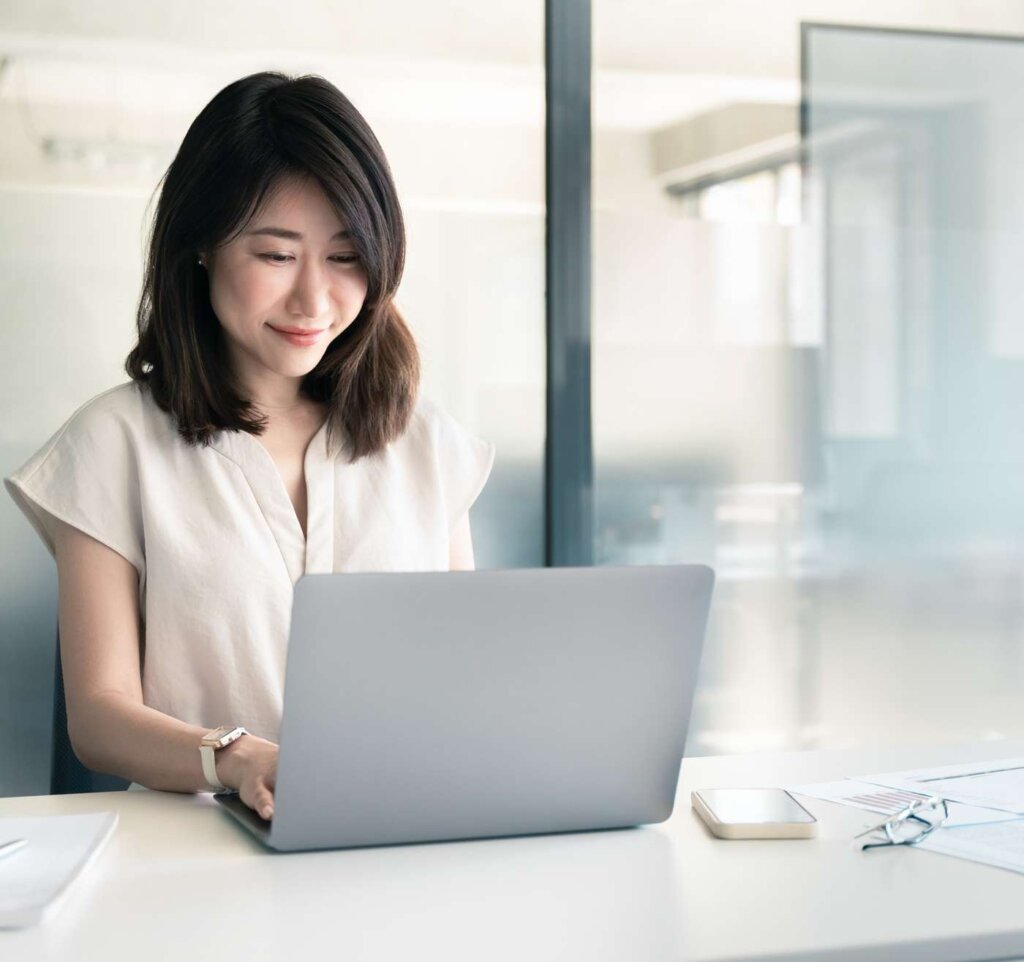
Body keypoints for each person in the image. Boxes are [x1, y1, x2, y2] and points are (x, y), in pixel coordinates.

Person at [4, 72, 494, 822]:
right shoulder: (113, 444)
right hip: (191, 850)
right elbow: (99, 716)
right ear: (200, 246)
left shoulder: (425, 443)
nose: (314, 301)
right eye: (274, 255)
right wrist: (239, 758)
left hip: (402, 833)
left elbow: (465, 670)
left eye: (344, 257)